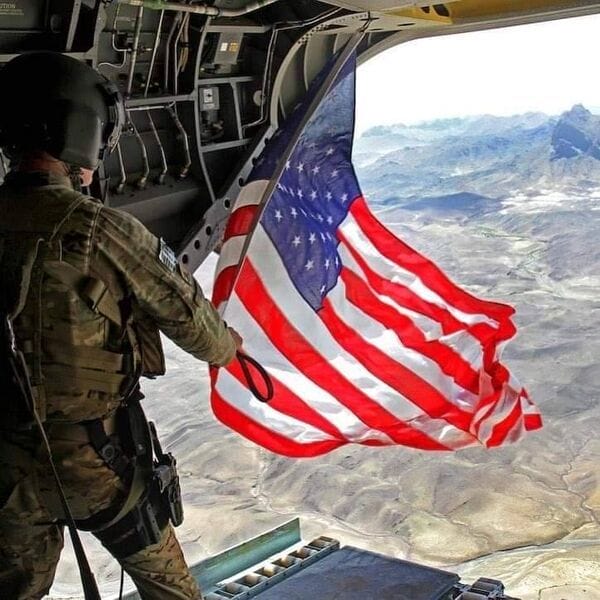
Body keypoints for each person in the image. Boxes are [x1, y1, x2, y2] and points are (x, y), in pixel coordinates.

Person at [0, 51, 242, 600]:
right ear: (80, 133)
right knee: (172, 592)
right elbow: (194, 325)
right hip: (98, 465)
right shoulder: (101, 229)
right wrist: (230, 349)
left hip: (8, 472)